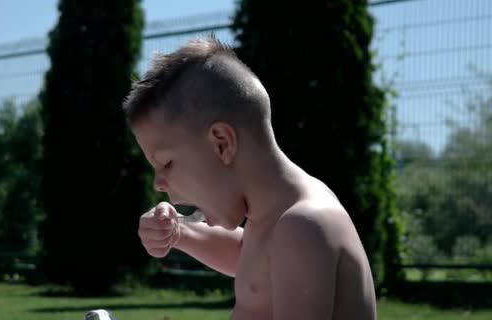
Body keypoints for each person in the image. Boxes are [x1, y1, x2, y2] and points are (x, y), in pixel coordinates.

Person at [122, 34, 377, 320]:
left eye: (166, 163)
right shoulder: (276, 222)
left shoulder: (304, 225)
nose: (158, 184)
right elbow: (251, 261)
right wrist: (179, 232)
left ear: (222, 143)